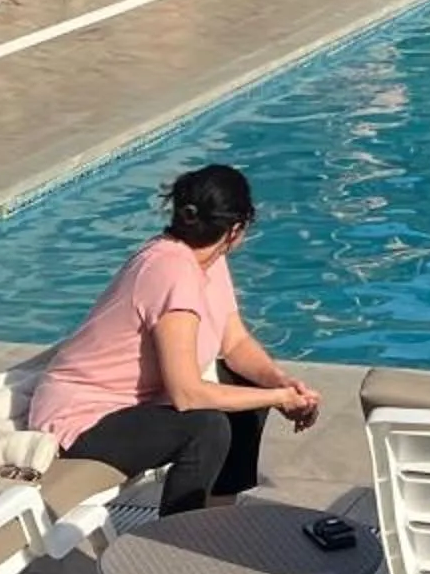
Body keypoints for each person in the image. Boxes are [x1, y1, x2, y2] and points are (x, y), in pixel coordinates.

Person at [24, 164, 318, 515]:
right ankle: (175, 545)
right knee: (205, 427)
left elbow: (235, 343)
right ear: (236, 230)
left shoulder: (207, 260)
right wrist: (279, 397)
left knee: (246, 392)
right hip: (85, 415)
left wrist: (280, 384)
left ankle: (219, 517)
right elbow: (187, 395)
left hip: (133, 404)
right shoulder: (171, 272)